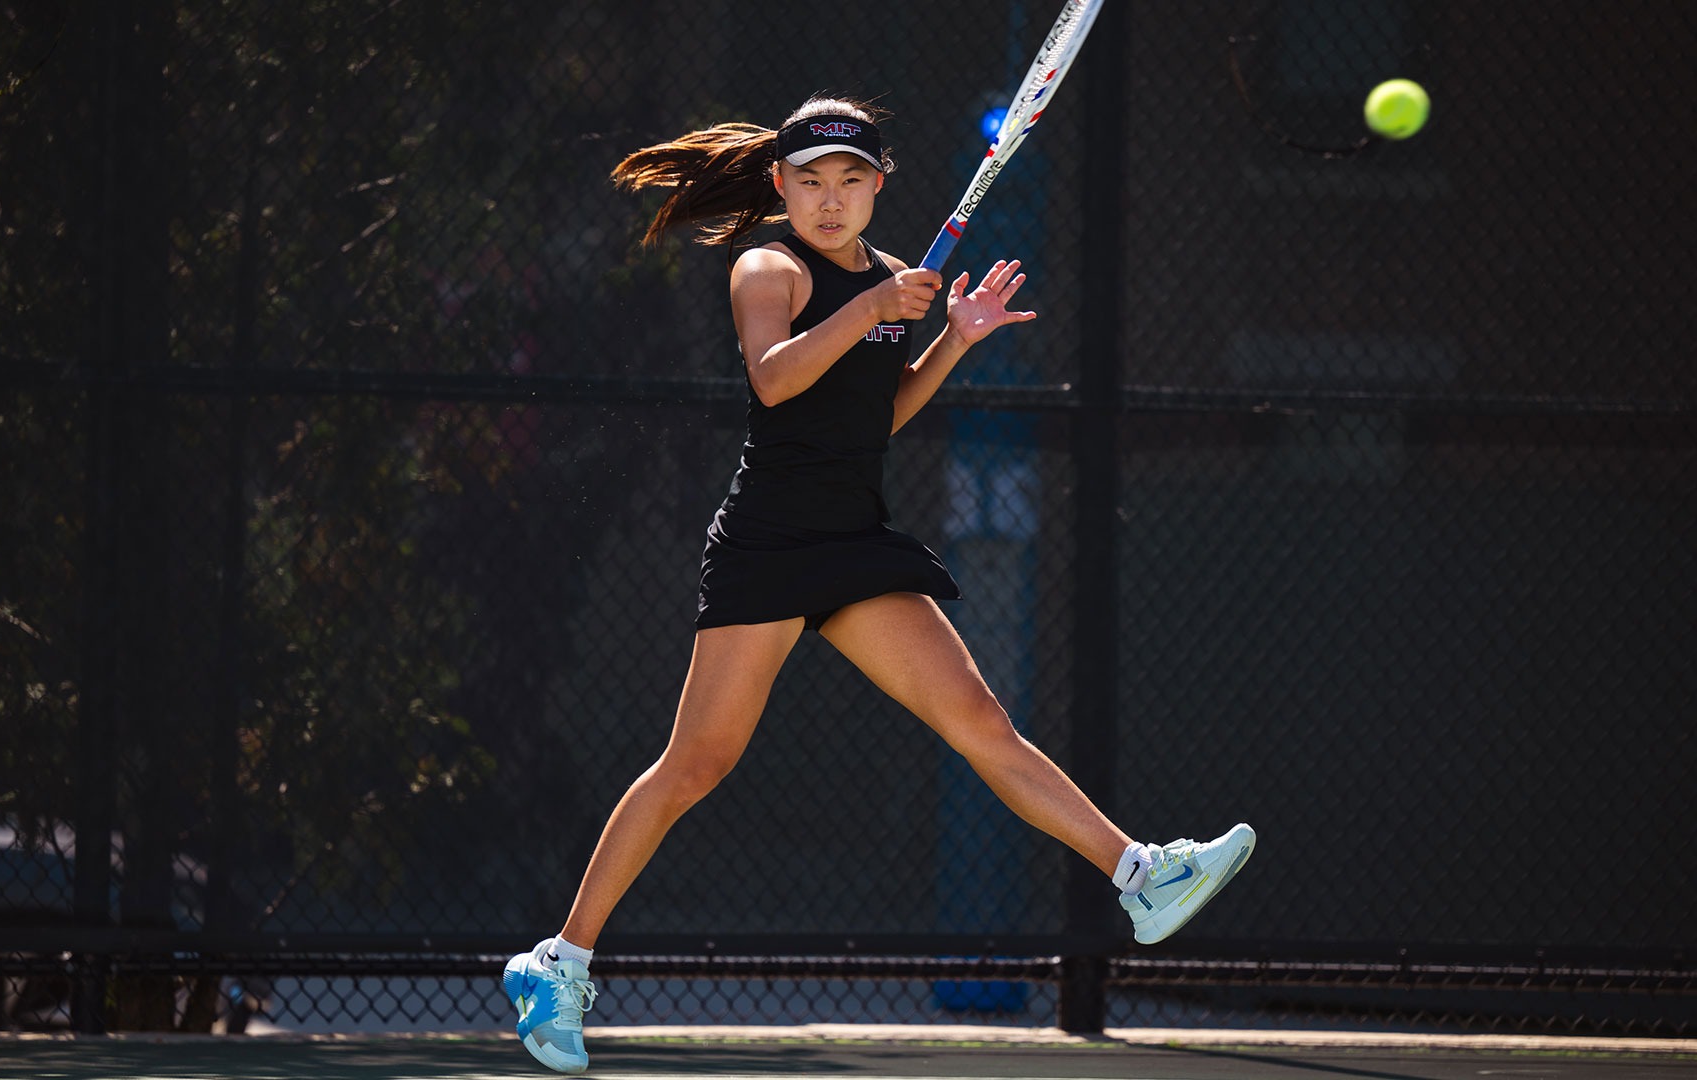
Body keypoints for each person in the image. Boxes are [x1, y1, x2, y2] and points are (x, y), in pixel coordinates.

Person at [503, 95, 1254, 1075]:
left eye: (849, 181)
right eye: (809, 181)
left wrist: (952, 340)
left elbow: (879, 416)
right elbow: (775, 381)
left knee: (981, 720)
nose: (829, 198)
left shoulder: (903, 282)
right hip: (769, 544)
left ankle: (1140, 873)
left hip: (856, 543)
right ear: (779, 186)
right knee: (696, 765)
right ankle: (558, 964)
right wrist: (867, 312)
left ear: (877, 188)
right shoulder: (767, 268)